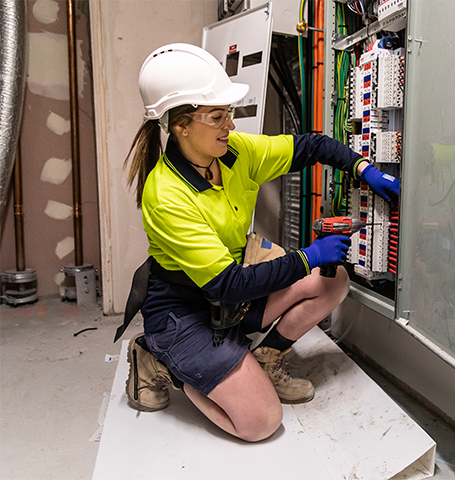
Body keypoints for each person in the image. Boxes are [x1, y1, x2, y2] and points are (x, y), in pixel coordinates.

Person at [118, 43, 399, 443]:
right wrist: (307, 256)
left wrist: (363, 167)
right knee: (261, 422)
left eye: (228, 114)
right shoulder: (165, 195)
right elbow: (227, 284)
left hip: (227, 298)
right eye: (217, 117)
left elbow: (312, 146)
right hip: (185, 313)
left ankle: (265, 358)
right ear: (180, 125)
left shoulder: (234, 153)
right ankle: (157, 359)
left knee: (331, 281)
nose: (229, 126)